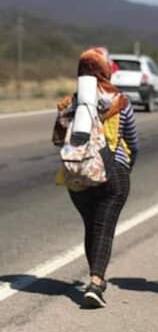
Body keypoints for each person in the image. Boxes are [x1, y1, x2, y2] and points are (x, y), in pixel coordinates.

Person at [52, 47, 138, 309]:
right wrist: (126, 164)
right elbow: (132, 139)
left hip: (78, 175)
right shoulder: (120, 101)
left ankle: (94, 277)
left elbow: (58, 140)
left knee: (92, 225)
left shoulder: (68, 103)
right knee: (104, 226)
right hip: (113, 170)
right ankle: (97, 282)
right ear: (105, 69)